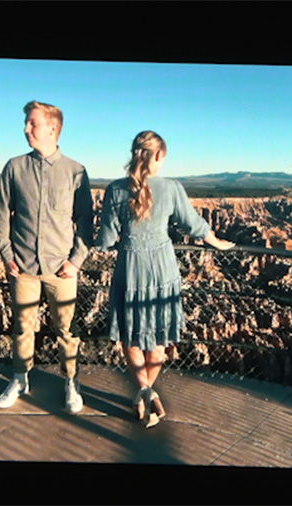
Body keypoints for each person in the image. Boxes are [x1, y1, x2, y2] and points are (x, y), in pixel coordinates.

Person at [95, 130, 234, 427]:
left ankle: (143, 391)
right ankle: (147, 393)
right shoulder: (172, 188)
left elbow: (106, 239)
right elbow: (193, 225)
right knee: (159, 335)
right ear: (159, 155)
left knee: (131, 333)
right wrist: (216, 242)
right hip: (163, 268)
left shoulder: (115, 190)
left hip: (130, 267)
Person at [0, 100, 93, 414]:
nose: (26, 129)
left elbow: (86, 220)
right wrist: (6, 253)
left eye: (32, 123)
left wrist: (76, 261)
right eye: (26, 123)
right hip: (22, 266)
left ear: (52, 128)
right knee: (22, 327)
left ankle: (71, 382)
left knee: (67, 329)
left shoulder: (75, 171)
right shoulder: (14, 168)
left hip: (61, 268)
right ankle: (20, 378)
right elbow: (2, 215)